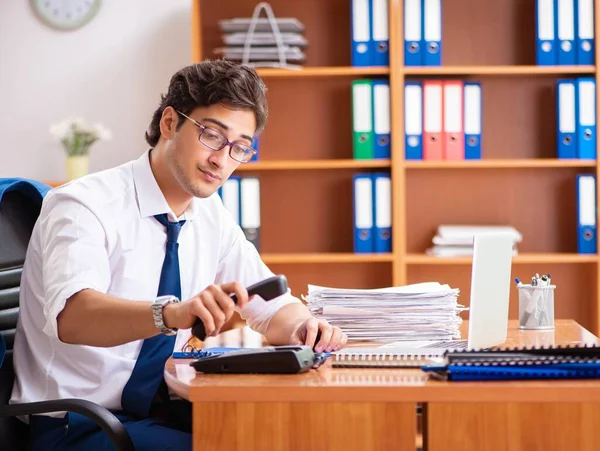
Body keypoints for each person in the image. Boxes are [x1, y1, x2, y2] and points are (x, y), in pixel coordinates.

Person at [10, 60, 348, 451]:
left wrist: (305, 328)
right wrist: (170, 314)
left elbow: (271, 306)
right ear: (170, 123)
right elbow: (73, 317)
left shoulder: (209, 213)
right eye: (212, 136)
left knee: (293, 433)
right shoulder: (83, 205)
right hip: (78, 424)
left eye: (240, 147)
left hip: (164, 406)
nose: (222, 160)